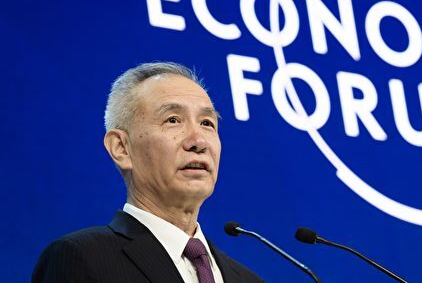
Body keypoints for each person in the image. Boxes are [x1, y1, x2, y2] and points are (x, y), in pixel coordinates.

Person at [32, 62, 263, 283]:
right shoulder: (82, 258)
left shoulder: (250, 280)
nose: (199, 141)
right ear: (121, 148)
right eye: (173, 120)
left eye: (207, 123)